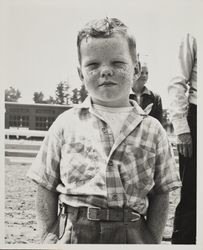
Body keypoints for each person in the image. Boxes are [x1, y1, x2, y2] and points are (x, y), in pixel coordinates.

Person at [27, 17, 181, 244]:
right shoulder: (65, 124)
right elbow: (45, 184)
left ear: (136, 69)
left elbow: (162, 192)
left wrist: (151, 239)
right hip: (74, 233)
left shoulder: (153, 130)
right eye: (93, 65)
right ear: (80, 74)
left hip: (134, 233)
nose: (105, 71)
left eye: (117, 63)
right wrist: (47, 236)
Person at [168, 33, 197, 244]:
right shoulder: (195, 32)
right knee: (192, 196)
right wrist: (182, 128)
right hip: (197, 120)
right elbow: (177, 81)